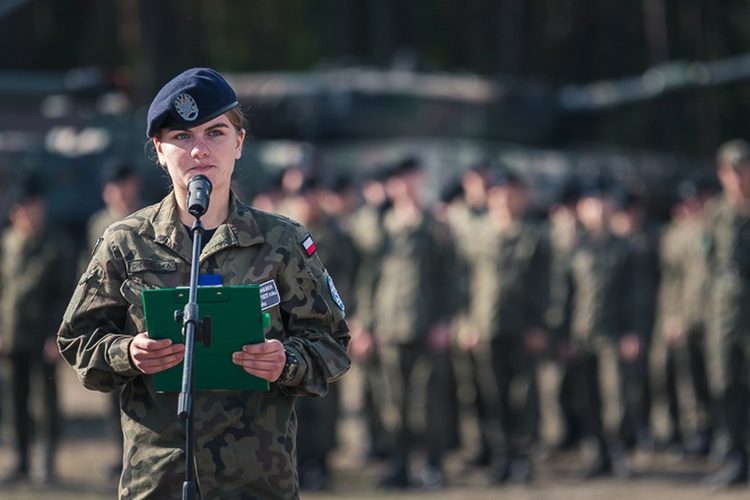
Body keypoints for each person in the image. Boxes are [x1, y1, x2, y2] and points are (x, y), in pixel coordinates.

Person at [57, 67, 351, 499]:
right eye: (182, 137)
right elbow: (77, 339)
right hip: (158, 479)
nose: (199, 150)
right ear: (158, 150)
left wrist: (285, 361)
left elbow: (332, 341)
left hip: (257, 481)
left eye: (215, 133)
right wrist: (127, 352)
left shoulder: (282, 241)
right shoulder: (126, 242)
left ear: (239, 143)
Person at [459, 170, 551, 484]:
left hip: (523, 328)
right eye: (498, 193)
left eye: (511, 192)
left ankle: (523, 458)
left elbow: (545, 285)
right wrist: (467, 322)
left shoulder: (534, 235)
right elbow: (465, 282)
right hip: (485, 327)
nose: (504, 199)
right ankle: (502, 457)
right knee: (491, 397)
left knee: (523, 398)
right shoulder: (478, 233)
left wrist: (540, 325)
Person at [0, 174, 76, 484]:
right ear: (14, 211)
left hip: (43, 337)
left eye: (34, 207)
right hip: (11, 336)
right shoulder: (7, 244)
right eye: (23, 208)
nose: (29, 213)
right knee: (14, 401)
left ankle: (46, 460)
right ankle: (19, 458)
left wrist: (57, 335)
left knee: (45, 402)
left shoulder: (56, 245)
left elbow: (65, 295)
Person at [81, 159, 144, 477]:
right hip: (110, 319)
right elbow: (88, 274)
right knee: (110, 391)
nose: (118, 191)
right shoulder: (99, 224)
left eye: (123, 183)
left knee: (142, 392)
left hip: (139, 320)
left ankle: (140, 455)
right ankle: (120, 453)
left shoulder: (147, 220)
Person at [703, 139, 750, 488]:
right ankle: (736, 456)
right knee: (726, 385)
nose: (736, 177)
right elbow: (706, 265)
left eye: (742, 169)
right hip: (724, 316)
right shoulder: (716, 214)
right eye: (729, 171)